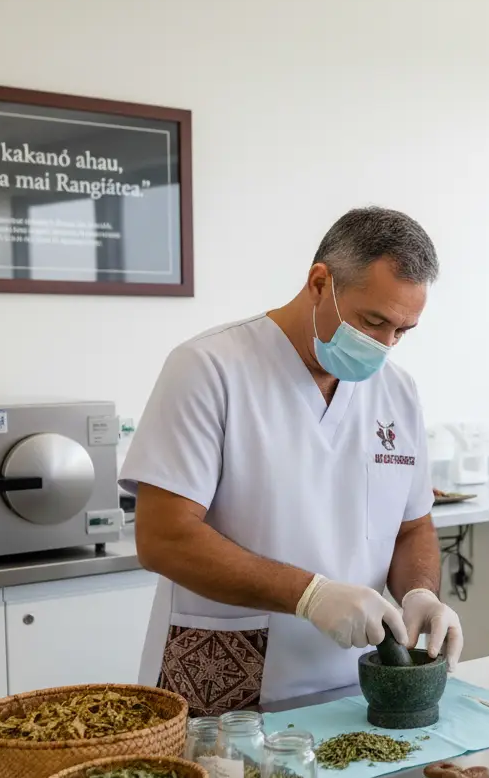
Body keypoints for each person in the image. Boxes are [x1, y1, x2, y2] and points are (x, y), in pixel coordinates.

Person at [121, 207, 463, 714]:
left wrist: (419, 594)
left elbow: (412, 526)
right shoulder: (210, 369)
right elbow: (162, 538)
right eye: (373, 321)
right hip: (230, 676)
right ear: (320, 283)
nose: (386, 345)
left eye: (403, 331)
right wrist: (310, 595)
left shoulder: (397, 392)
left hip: (354, 687)